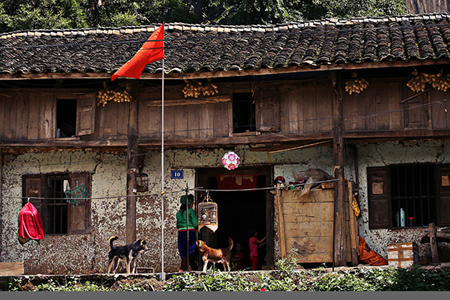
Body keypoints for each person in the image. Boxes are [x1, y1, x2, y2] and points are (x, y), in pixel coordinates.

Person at [176, 194, 198, 272]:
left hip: (181, 233)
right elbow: (195, 224)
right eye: (192, 203)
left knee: (184, 250)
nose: (193, 204)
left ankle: (190, 267)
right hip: (189, 232)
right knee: (190, 249)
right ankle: (184, 268)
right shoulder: (190, 211)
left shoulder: (178, 213)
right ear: (189, 203)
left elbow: (177, 225)